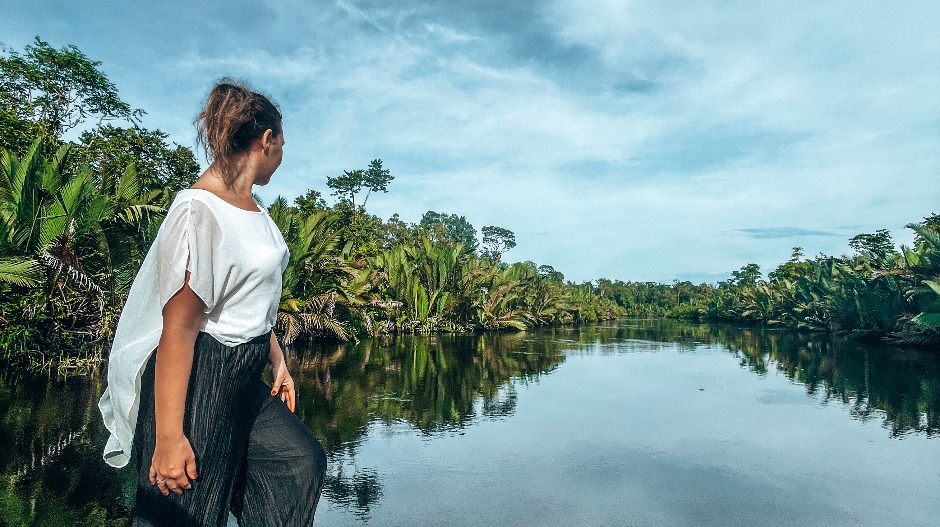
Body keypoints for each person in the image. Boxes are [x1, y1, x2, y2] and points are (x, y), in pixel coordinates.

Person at [98, 79, 326, 526]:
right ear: (267, 140)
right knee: (188, 509)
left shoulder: (255, 211)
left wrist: (277, 361)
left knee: (299, 463)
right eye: (282, 144)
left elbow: (251, 298)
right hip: (204, 375)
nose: (282, 155)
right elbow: (179, 325)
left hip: (246, 375)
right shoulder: (198, 211)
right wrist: (167, 436)